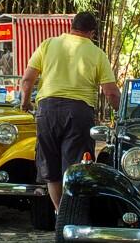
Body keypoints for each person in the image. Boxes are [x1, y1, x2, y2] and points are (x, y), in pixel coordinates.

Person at [20, 12, 121, 211]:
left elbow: (27, 80)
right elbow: (111, 93)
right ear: (92, 32)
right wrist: (121, 113)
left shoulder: (48, 44)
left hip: (46, 110)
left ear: (71, 26)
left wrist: (25, 102)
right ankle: (71, 214)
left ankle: (60, 212)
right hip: (78, 112)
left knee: (51, 167)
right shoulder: (97, 53)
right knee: (75, 167)